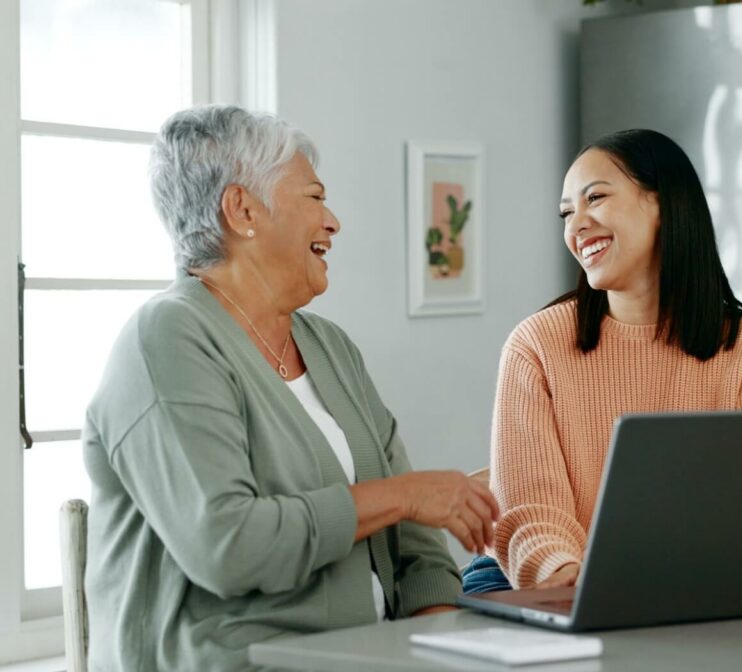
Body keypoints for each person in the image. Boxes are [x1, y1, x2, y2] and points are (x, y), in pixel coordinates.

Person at [83, 105, 499, 671]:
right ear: (243, 210)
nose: (333, 221)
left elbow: (418, 540)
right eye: (314, 196)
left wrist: (431, 643)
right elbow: (227, 546)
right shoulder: (166, 339)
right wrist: (404, 496)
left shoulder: (329, 346)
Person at [468, 129, 742, 593]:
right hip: (539, 579)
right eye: (565, 212)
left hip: (680, 584)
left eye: (594, 198)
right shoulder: (535, 344)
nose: (575, 226)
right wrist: (577, 582)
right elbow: (532, 509)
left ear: (662, 204)